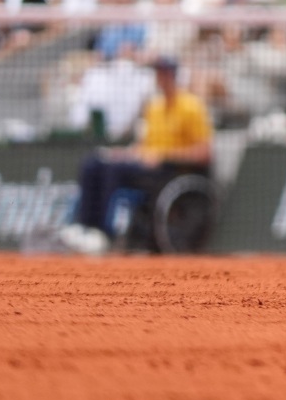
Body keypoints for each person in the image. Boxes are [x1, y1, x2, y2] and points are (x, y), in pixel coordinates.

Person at [62, 55, 213, 252]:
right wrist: (123, 153)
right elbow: (144, 145)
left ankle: (102, 233)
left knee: (113, 172)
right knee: (94, 163)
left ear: (173, 75)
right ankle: (85, 227)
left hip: (171, 170)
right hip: (144, 165)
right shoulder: (154, 106)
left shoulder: (192, 107)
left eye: (163, 73)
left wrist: (165, 156)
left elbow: (204, 153)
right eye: (157, 73)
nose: (160, 77)